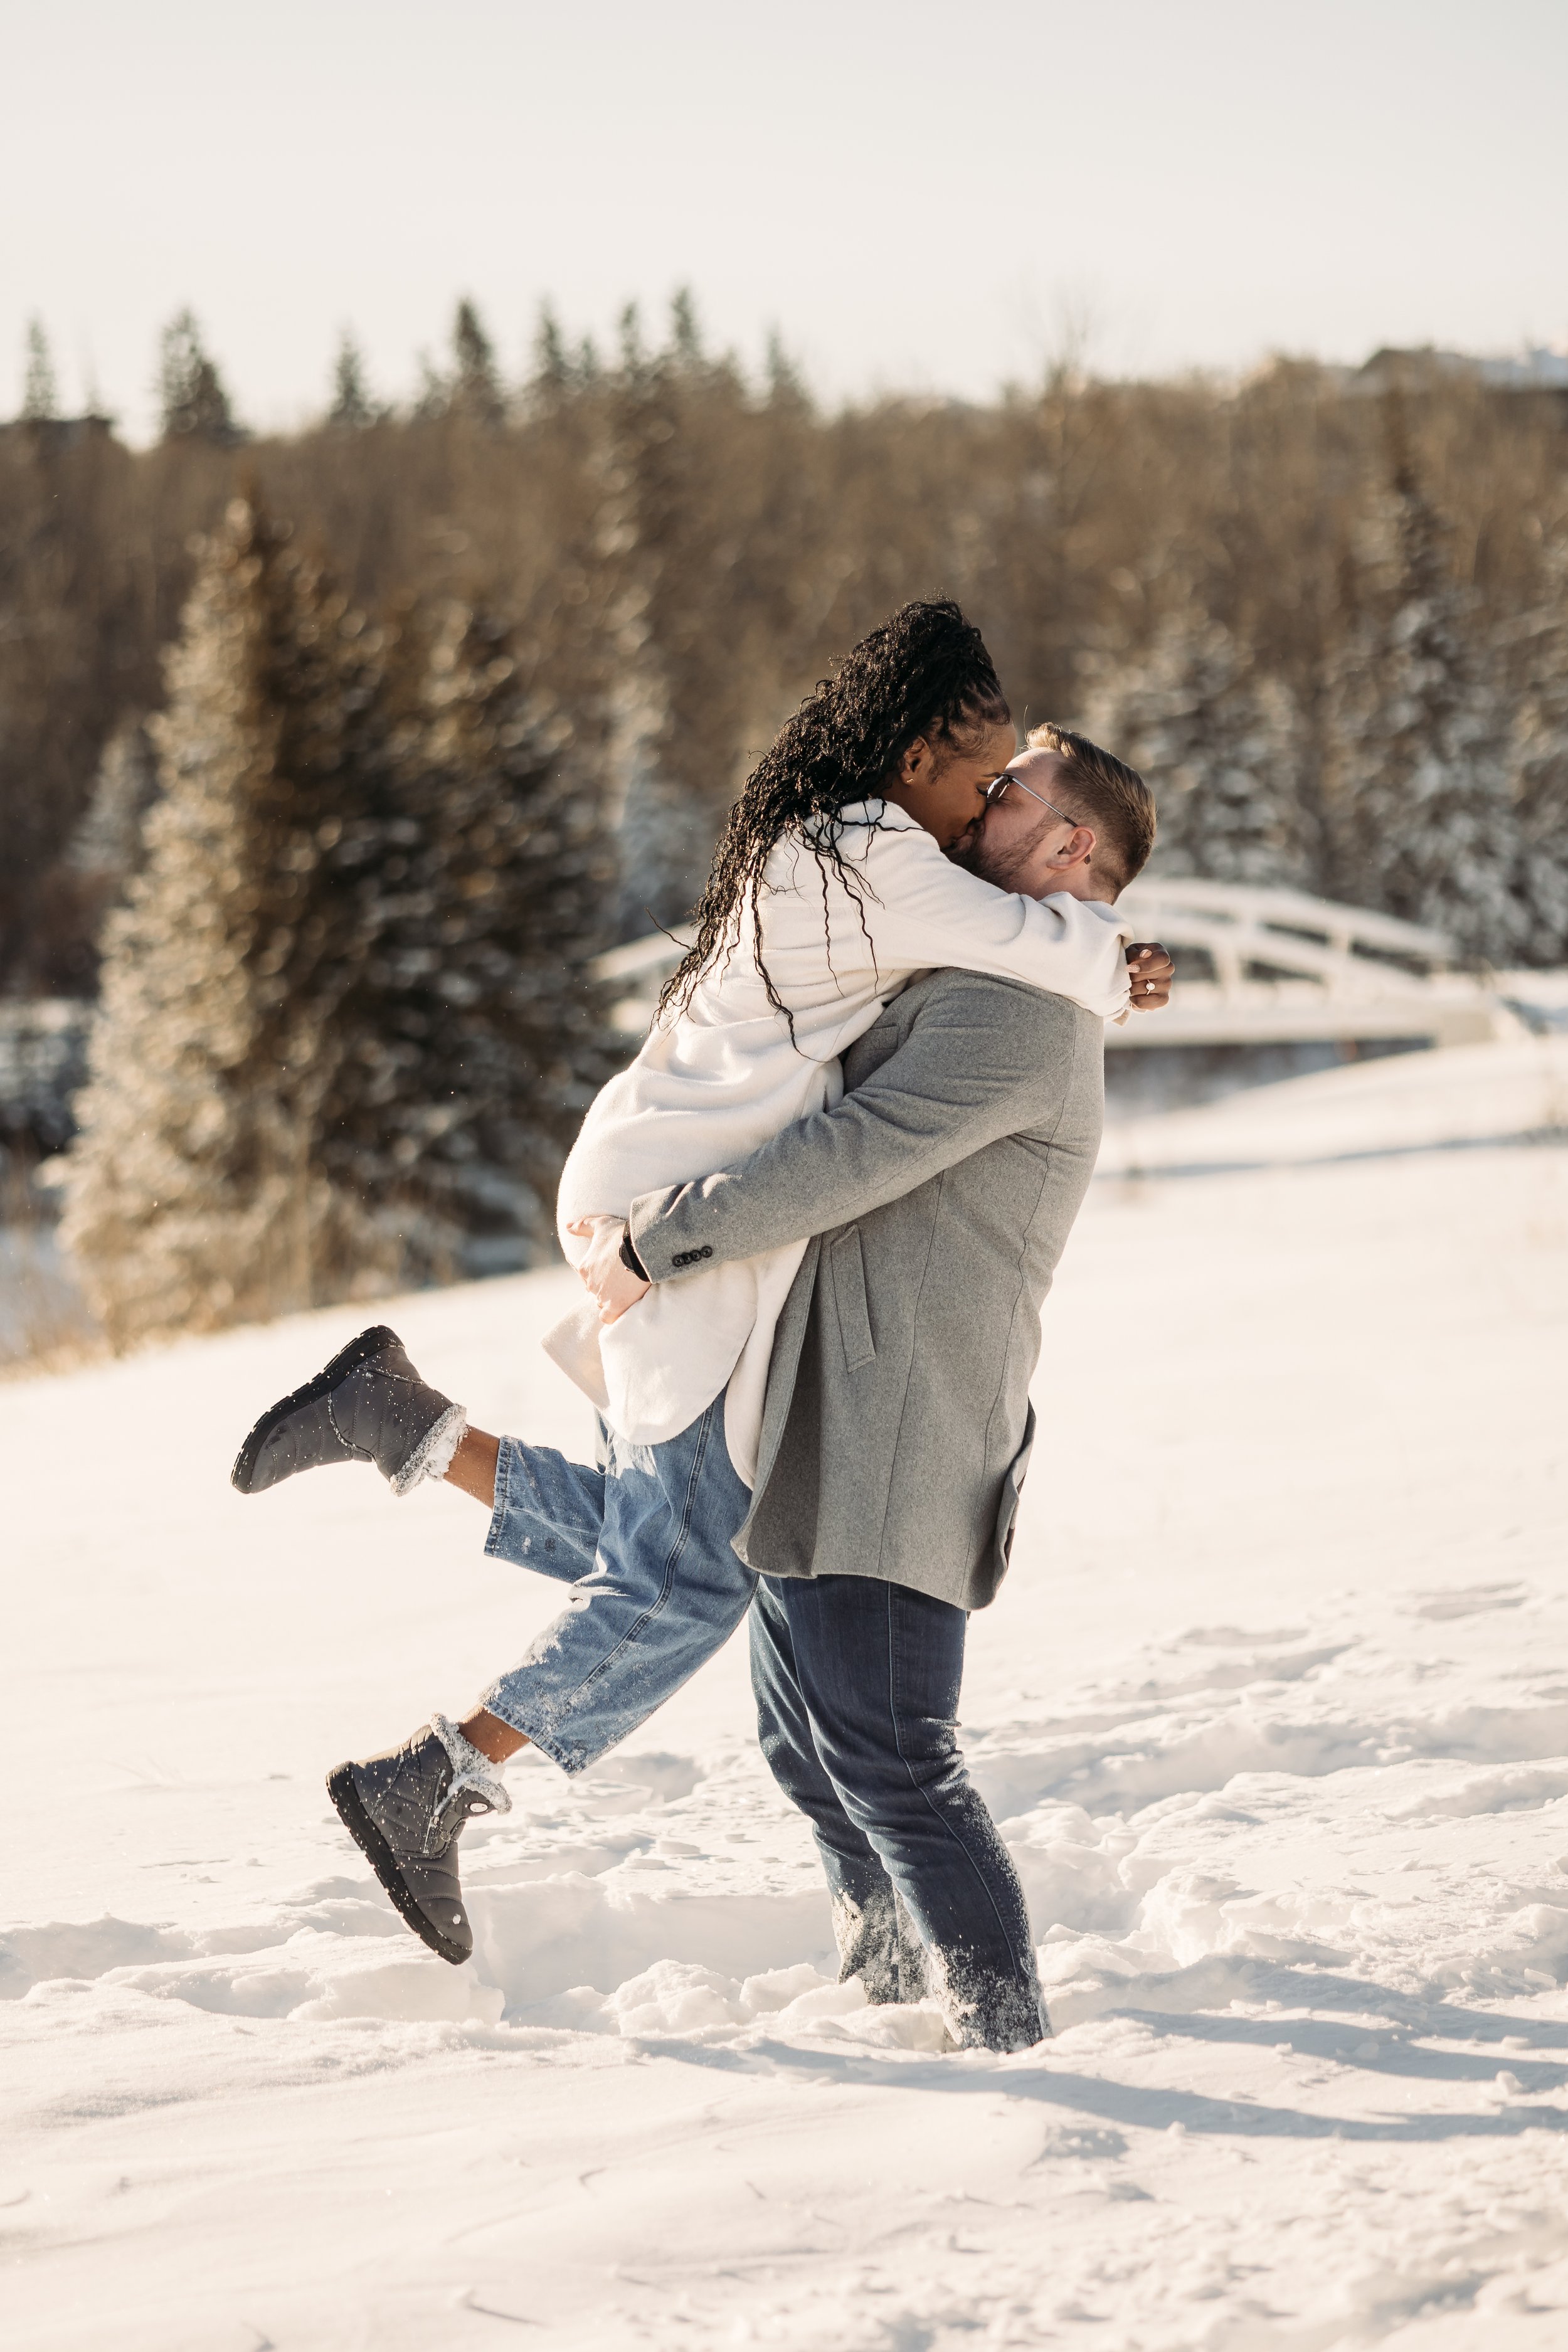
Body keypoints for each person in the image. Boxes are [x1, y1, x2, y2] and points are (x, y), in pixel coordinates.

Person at [232, 618, 1168, 2040]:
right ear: (917, 756)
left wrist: (1095, 956)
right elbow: (972, 1002)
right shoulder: (896, 878)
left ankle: (406, 1443)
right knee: (685, 1573)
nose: (994, 798)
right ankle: (436, 1771)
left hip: (729, 1257)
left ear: (1072, 853)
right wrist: (1105, 956)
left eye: (1020, 789)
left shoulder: (972, 968)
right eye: (991, 772)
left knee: (701, 1572)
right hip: (683, 1220)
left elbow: (885, 1120)